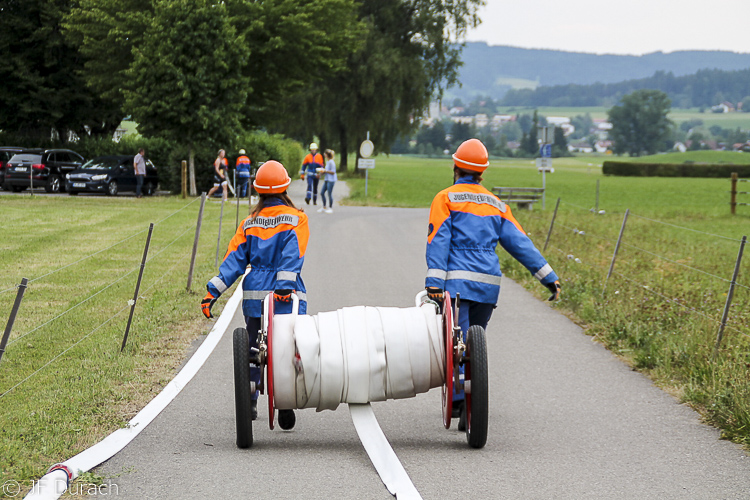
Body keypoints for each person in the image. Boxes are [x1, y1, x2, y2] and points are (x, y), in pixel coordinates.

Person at [424, 138, 561, 430]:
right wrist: (548, 277)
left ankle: (460, 400)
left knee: (455, 343)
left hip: (456, 286)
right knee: (477, 339)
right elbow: (520, 243)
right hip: (487, 286)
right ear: (482, 172)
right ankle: (474, 396)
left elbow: (438, 240)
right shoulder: (497, 204)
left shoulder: (445, 198)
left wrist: (434, 284)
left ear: (456, 167)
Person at [201, 160, 307, 428]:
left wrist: (213, 291)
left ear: (258, 190)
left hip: (255, 296)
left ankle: (249, 396)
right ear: (285, 187)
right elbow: (292, 256)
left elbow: (234, 259)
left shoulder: (249, 222)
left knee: (252, 346)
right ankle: (286, 402)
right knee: (289, 347)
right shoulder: (298, 218)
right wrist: (284, 286)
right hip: (285, 297)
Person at [318, 149, 337, 213]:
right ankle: (324, 206)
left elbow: (333, 172)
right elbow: (326, 170)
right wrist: (321, 172)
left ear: (327, 155)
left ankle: (330, 207)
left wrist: (325, 171)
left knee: (329, 193)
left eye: (325, 154)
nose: (324, 155)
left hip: (331, 180)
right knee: (322, 192)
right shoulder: (328, 162)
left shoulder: (331, 162)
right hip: (327, 179)